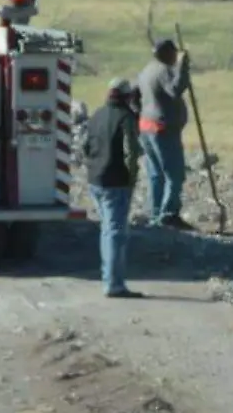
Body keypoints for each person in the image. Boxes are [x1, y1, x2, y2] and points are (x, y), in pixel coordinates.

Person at [82, 78, 146, 299]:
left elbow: (85, 147)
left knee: (107, 231)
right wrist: (131, 180)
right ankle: (114, 284)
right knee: (115, 234)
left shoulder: (97, 114)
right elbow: (131, 152)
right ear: (128, 96)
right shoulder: (126, 118)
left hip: (95, 180)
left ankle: (109, 278)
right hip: (115, 182)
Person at [136, 38, 194, 231]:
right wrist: (183, 66)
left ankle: (155, 212)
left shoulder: (147, 70)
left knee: (156, 173)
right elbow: (176, 89)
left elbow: (135, 95)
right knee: (174, 174)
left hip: (146, 126)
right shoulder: (163, 71)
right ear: (168, 53)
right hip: (162, 129)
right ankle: (168, 214)